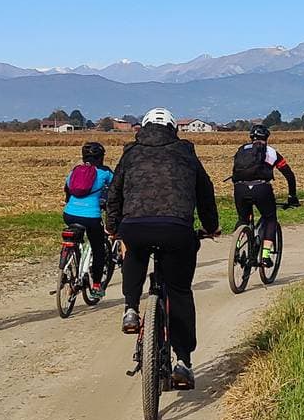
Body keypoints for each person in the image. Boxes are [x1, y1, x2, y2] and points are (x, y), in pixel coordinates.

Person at [104, 108, 220, 388]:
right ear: (173, 129)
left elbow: (114, 193)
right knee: (179, 291)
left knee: (134, 252)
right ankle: (183, 362)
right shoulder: (186, 153)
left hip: (135, 226)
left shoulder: (131, 153)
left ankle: (131, 309)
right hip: (176, 228)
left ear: (143, 127)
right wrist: (211, 226)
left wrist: (113, 227)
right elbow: (205, 192)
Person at [230, 123, 298, 258]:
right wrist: (292, 196)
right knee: (270, 218)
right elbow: (289, 175)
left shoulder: (242, 150)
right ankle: (266, 255)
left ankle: (236, 248)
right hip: (261, 188)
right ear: (266, 137)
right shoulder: (271, 152)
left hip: (240, 188)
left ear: (251, 137)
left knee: (243, 219)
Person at [62, 140, 114, 287]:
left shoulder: (75, 171)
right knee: (98, 248)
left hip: (69, 214)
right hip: (91, 216)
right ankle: (96, 284)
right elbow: (116, 189)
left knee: (74, 239)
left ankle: (72, 260)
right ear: (101, 157)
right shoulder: (105, 172)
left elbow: (67, 189)